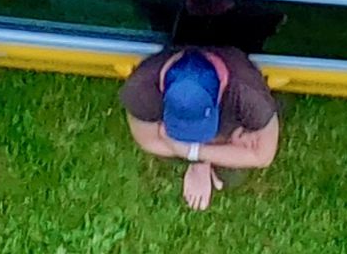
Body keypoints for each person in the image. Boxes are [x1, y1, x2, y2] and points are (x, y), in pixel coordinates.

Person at [120, 44, 281, 211]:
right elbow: (147, 140)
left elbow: (264, 156)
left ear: (222, 84)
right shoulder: (140, 88)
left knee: (232, 178)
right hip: (227, 135)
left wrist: (190, 152)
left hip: (231, 117)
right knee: (231, 172)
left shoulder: (249, 94)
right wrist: (206, 155)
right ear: (162, 86)